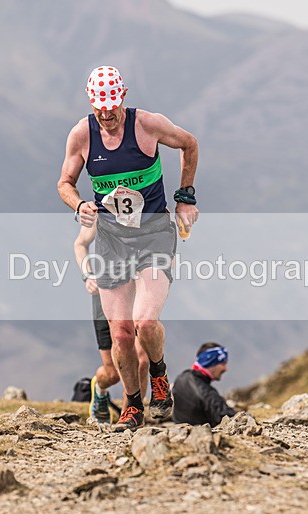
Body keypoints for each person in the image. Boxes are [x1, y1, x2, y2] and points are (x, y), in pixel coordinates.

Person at [58, 65, 199, 431]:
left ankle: (159, 373)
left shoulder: (147, 125)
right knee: (120, 332)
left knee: (145, 322)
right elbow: (65, 182)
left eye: (112, 107)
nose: (106, 115)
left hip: (153, 234)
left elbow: (189, 144)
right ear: (92, 103)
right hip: (111, 240)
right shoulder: (81, 134)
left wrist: (185, 197)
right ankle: (133, 404)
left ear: (122, 99)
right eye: (99, 108)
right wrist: (78, 205)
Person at [73, 222, 149, 424]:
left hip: (138, 292)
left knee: (141, 361)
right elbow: (80, 244)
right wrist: (88, 275)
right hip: (107, 293)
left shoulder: (150, 204)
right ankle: (99, 389)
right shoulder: (101, 209)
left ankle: (130, 419)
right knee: (114, 372)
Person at [172, 342, 236, 427]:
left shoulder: (182, 377)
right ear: (210, 362)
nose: (226, 369)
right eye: (223, 364)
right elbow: (232, 419)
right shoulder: (207, 394)